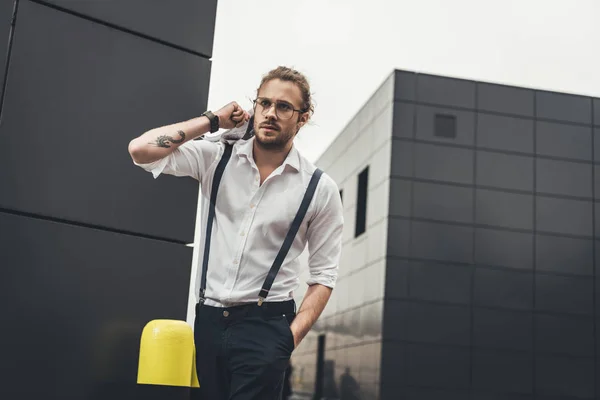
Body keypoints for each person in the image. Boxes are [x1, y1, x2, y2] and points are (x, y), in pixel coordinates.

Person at [128, 66, 344, 400]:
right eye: (264, 103)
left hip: (267, 326)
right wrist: (212, 120)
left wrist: (288, 339)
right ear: (254, 106)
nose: (271, 113)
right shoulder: (218, 157)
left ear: (302, 118)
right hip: (209, 321)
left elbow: (324, 276)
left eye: (284, 107)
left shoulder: (319, 188)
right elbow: (140, 150)